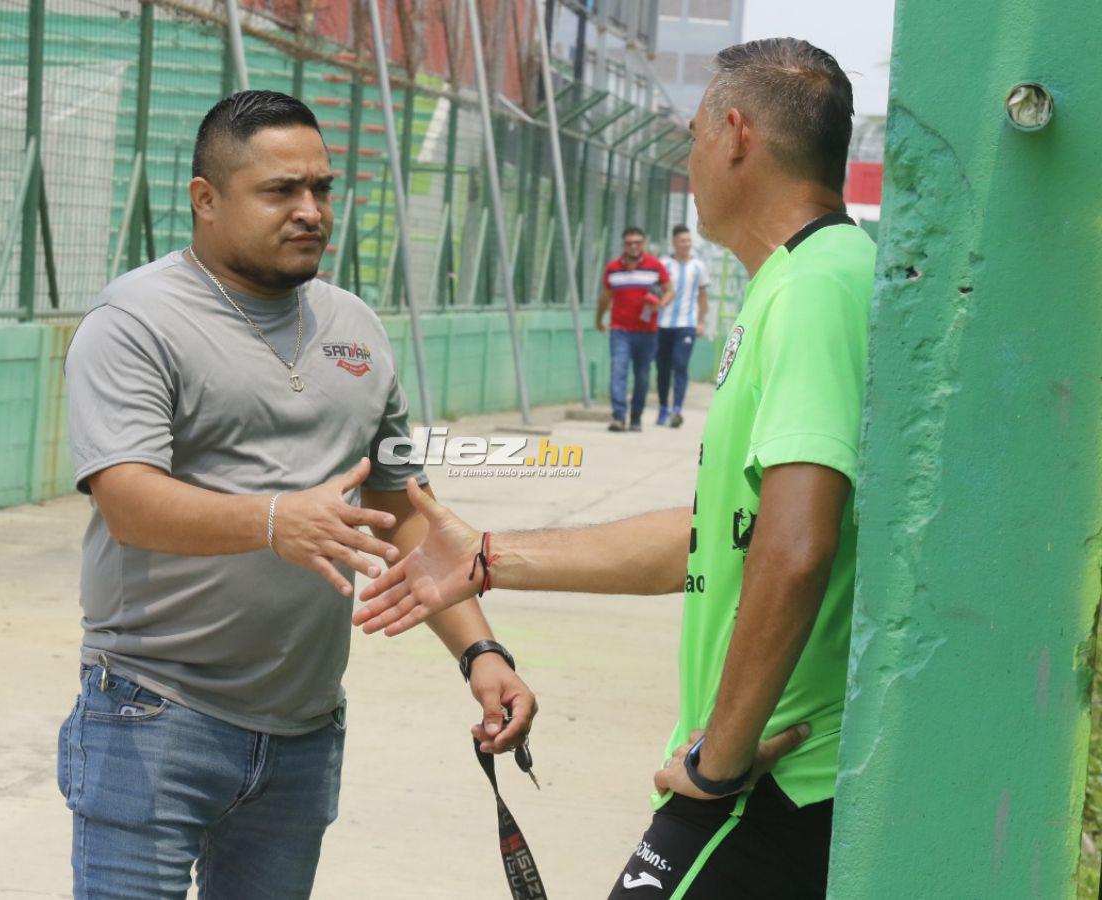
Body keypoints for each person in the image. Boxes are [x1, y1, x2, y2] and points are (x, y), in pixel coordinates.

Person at [353, 37, 873, 898]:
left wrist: (719, 760)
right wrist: (488, 555)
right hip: (765, 771)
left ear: (737, 135)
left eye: (697, 135)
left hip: (772, 774)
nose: (691, 158)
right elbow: (717, 541)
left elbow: (797, 547)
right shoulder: (797, 281)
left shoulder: (820, 290)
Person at [58, 90, 536, 899]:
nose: (310, 210)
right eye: (281, 191)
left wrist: (480, 653)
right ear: (206, 200)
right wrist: (275, 520)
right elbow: (128, 500)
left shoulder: (356, 327)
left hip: (303, 731)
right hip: (153, 712)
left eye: (322, 188)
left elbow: (402, 512)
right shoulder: (135, 321)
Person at [596, 226, 675, 432]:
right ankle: (618, 416)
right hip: (620, 330)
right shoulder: (612, 268)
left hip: (647, 332)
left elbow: (669, 290)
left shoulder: (655, 266)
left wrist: (661, 304)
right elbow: (605, 297)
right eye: (629, 242)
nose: (633, 246)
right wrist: (599, 319)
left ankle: (636, 416)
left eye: (637, 242)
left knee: (642, 375)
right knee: (618, 370)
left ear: (644, 244)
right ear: (623, 245)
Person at [656, 225, 710, 428]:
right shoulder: (664, 264)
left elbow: (703, 296)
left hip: (686, 324)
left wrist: (701, 321)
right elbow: (655, 290)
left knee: (680, 364)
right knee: (663, 368)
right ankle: (663, 408)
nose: (686, 244)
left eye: (689, 240)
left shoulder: (698, 266)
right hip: (663, 324)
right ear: (674, 243)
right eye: (682, 241)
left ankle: (677, 408)